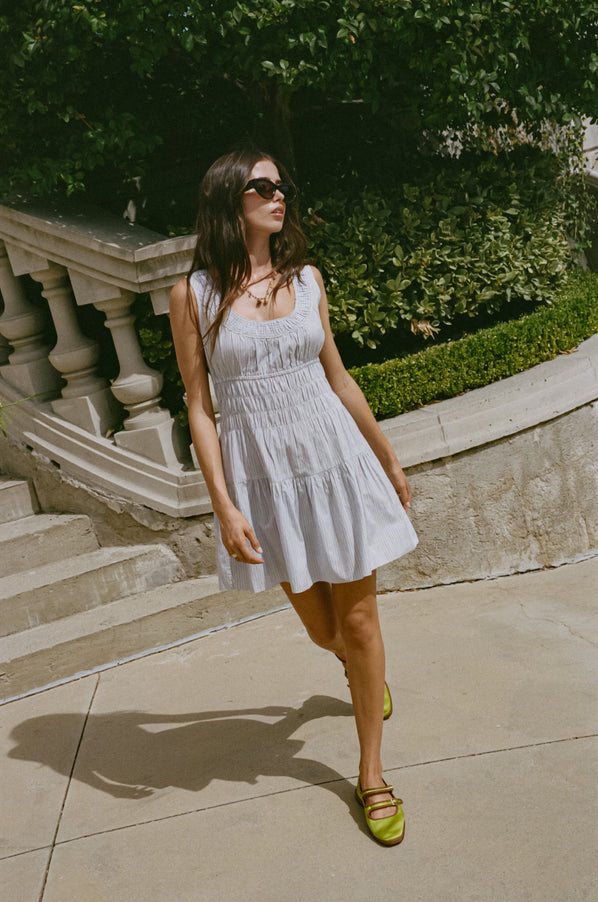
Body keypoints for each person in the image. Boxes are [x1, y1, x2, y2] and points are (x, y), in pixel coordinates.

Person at [169, 147, 418, 846]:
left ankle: (371, 775)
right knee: (323, 630)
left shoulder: (307, 279)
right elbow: (199, 407)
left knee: (362, 623)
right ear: (229, 198)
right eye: (262, 186)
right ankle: (352, 666)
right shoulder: (193, 295)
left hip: (335, 463)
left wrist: (387, 457)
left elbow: (339, 378)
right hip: (267, 484)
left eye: (282, 186)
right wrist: (223, 505)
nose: (279, 196)